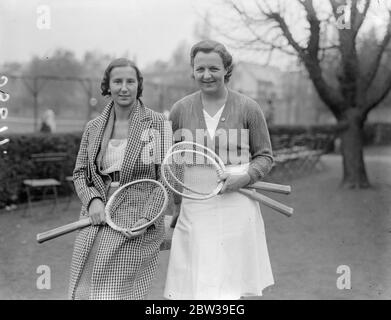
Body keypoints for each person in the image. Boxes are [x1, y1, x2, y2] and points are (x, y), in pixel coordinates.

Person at [164, 40, 275, 300]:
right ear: (192, 71)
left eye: (213, 68)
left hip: (238, 203)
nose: (206, 75)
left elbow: (265, 156)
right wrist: (177, 207)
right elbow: (173, 164)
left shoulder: (249, 107)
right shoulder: (180, 109)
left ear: (226, 69)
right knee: (196, 284)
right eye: (199, 69)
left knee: (231, 284)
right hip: (196, 205)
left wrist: (244, 177)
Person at [68, 58, 172, 300]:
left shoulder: (158, 123)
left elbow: (168, 176)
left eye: (130, 81)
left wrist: (148, 217)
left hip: (137, 218)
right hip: (97, 214)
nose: (124, 87)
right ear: (108, 86)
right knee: (84, 287)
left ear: (139, 85)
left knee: (117, 291)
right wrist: (93, 200)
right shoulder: (93, 127)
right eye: (117, 81)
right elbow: (80, 172)